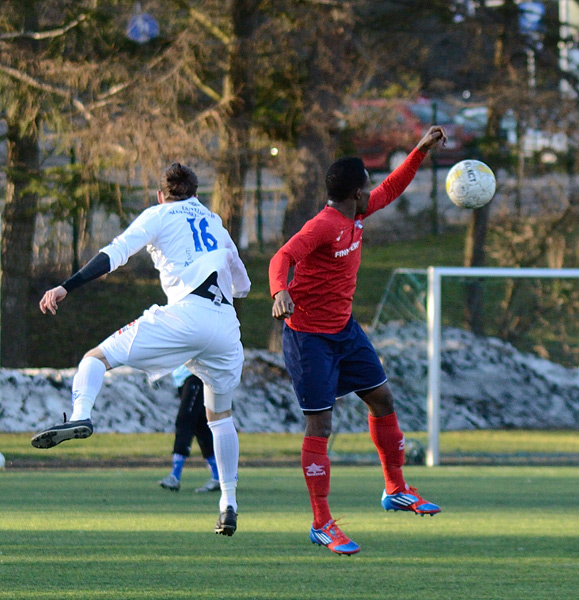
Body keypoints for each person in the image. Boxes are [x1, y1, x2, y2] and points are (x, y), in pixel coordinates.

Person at [32, 162, 250, 537]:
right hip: (226, 327)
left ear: (160, 194)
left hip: (185, 316)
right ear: (197, 194)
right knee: (220, 418)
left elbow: (113, 255)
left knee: (95, 358)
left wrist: (67, 286)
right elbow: (242, 284)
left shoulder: (158, 213)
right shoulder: (214, 221)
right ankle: (228, 504)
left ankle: (80, 415)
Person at [269, 126, 447, 555]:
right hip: (309, 339)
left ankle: (396, 488)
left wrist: (419, 152)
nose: (373, 193)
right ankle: (321, 523)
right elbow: (282, 256)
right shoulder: (325, 224)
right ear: (354, 194)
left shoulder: (356, 213)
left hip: (346, 332)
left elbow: (391, 187)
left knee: (382, 400)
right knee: (321, 425)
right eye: (366, 188)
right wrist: (280, 290)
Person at [158, 365, 220, 493]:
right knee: (200, 426)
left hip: (196, 374)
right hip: (183, 377)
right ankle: (218, 476)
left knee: (185, 420)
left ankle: (175, 475)